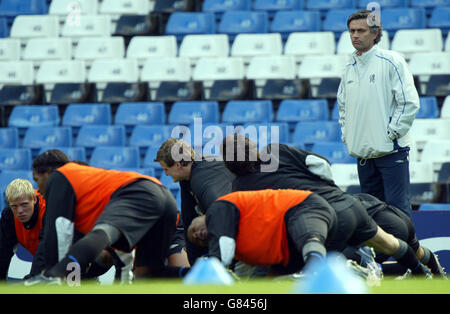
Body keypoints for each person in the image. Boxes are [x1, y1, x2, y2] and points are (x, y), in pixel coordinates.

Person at [222, 135, 431, 278]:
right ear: (253, 147)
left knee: (307, 268)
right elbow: (319, 163)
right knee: (390, 243)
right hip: (352, 204)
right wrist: (329, 189)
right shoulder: (274, 151)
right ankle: (423, 274)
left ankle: (362, 265)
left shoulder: (239, 189)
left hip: (319, 220)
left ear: (228, 164)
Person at [27, 149, 189, 284]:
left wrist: (52, 275)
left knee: (102, 233)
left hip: (140, 190)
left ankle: (52, 277)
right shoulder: (92, 207)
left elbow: (59, 231)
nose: (38, 189)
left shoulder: (60, 175)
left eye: (37, 180)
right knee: (146, 275)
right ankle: (199, 274)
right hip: (166, 200)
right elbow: (124, 257)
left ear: (48, 173)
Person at [337, 10, 420, 216]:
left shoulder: (392, 60)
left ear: (375, 34)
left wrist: (390, 135)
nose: (355, 35)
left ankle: (406, 250)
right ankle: (380, 250)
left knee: (398, 210)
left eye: (361, 30)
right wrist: (350, 138)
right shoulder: (349, 66)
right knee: (372, 212)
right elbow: (343, 107)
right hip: (364, 154)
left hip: (392, 152)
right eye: (352, 31)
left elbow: (409, 102)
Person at [188, 189, 338, 275]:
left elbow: (221, 254)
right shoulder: (237, 249)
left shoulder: (219, 208)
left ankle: (318, 271)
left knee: (308, 236)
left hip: (301, 208)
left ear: (202, 216)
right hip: (286, 252)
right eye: (196, 240)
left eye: (193, 229)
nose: (196, 235)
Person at [155, 138, 235, 266]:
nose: (165, 173)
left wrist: (220, 263)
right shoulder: (187, 176)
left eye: (166, 169)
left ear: (178, 165)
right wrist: (195, 265)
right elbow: (188, 218)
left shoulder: (202, 179)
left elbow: (221, 217)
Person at [350, 193, 446, 278]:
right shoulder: (344, 199)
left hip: (388, 226)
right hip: (397, 215)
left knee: (350, 266)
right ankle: (433, 269)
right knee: (417, 252)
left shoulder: (339, 210)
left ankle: (414, 271)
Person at [0, 179, 46, 280]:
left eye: (24, 204)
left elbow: (48, 250)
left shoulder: (47, 210)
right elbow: (3, 253)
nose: (20, 211)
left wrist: (33, 277)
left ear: (34, 199)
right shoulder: (9, 216)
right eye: (14, 206)